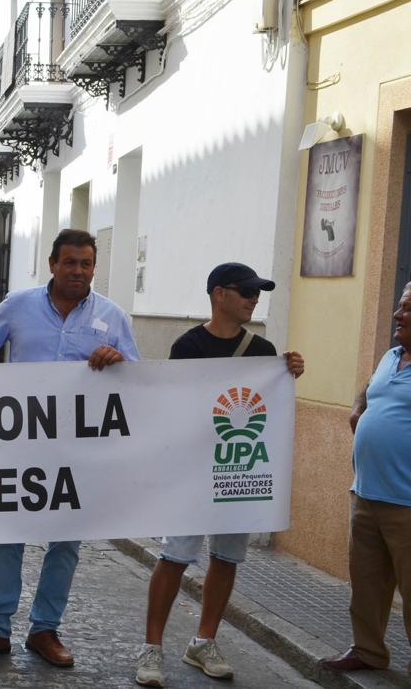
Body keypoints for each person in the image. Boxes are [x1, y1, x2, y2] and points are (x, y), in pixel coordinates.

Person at [0, 228, 139, 669]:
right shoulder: (19, 304)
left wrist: (119, 362)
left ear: (95, 267)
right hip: (18, 444)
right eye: (70, 262)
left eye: (86, 264)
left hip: (77, 450)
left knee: (65, 542)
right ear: (53, 264)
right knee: (5, 536)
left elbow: (136, 377)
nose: (78, 271)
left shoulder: (112, 317)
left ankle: (44, 630)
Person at [135, 262, 305, 687]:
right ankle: (151, 649)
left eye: (257, 293)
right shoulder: (188, 346)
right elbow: (174, 407)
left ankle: (203, 641)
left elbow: (266, 407)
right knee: (174, 557)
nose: (254, 299)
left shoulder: (264, 352)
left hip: (237, 469)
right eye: (246, 292)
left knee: (227, 558)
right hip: (193, 473)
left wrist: (289, 372)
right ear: (219, 295)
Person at [320, 281, 411, 676]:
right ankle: (369, 651)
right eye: (399, 306)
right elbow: (368, 389)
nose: (397, 314)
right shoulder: (392, 357)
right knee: (367, 586)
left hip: (407, 503)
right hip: (367, 494)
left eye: (407, 309)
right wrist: (359, 407)